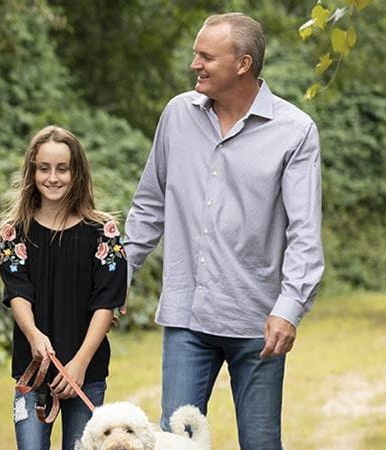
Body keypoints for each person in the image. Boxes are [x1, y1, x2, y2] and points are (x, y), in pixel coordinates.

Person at [124, 12, 323, 449]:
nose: (195, 63)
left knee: (260, 442)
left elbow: (304, 233)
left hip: (258, 321)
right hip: (187, 316)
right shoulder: (177, 115)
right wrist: (114, 278)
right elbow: (149, 206)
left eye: (206, 56)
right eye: (196, 53)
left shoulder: (294, 132)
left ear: (243, 64)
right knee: (175, 442)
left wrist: (289, 308)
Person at [0, 126, 127, 450]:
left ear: (77, 173)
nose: (53, 178)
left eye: (62, 168)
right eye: (44, 168)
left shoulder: (104, 234)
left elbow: (106, 303)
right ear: (32, 171)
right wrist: (34, 335)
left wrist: (79, 364)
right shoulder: (15, 233)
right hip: (34, 369)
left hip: (87, 371)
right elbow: (18, 293)